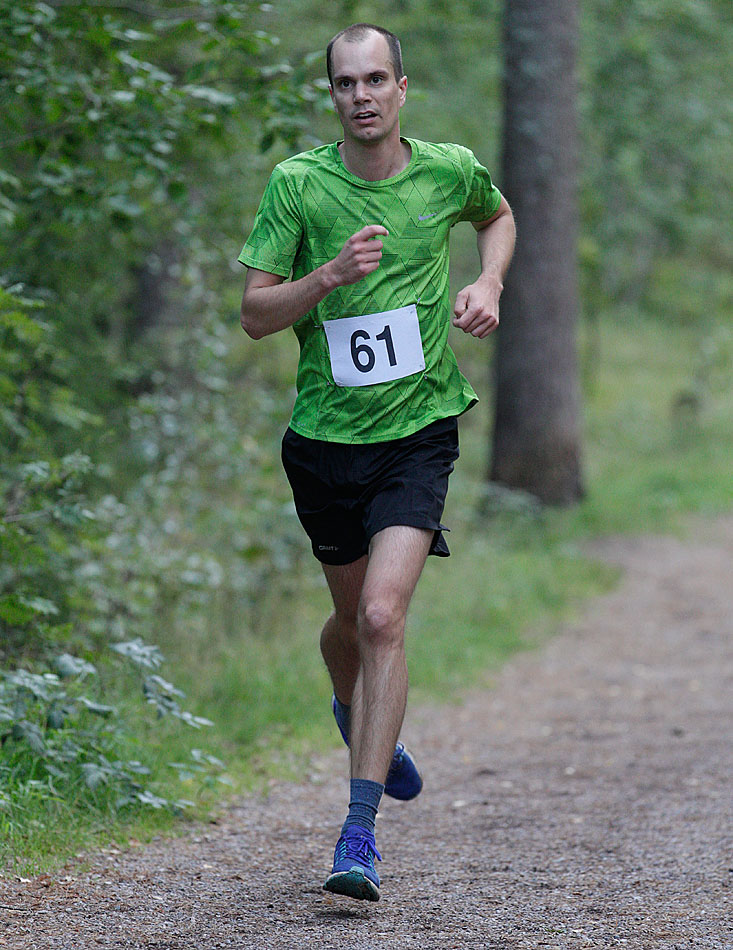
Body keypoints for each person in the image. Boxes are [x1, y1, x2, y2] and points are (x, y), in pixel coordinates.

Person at [238, 23, 515, 902]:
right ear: (331, 95)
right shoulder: (298, 184)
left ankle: (358, 834)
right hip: (324, 442)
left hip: (417, 432)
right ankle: (357, 711)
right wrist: (325, 277)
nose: (360, 95)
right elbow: (253, 314)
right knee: (350, 624)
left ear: (402, 88)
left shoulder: (446, 171)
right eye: (343, 83)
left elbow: (497, 214)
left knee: (383, 616)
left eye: (374, 80)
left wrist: (487, 281)